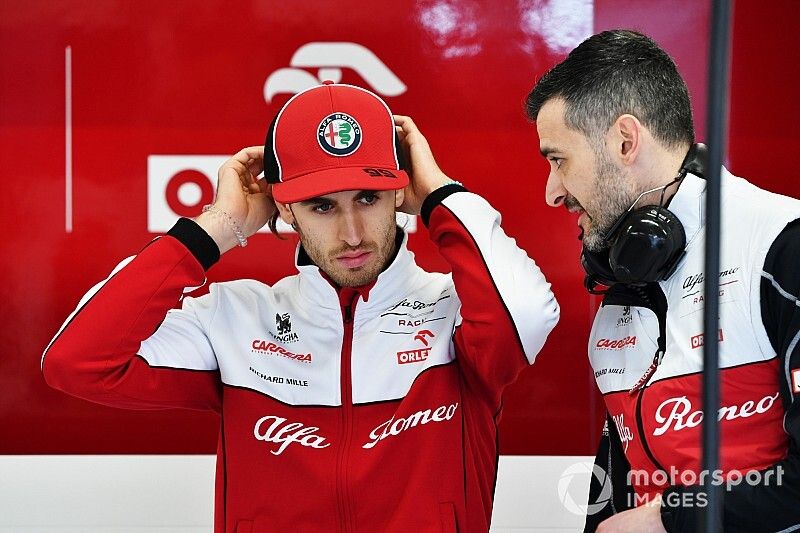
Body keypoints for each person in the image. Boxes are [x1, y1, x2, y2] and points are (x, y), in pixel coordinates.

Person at [41, 82, 559, 532]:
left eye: (367, 198)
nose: (352, 233)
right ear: (285, 207)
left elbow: (529, 314)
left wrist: (439, 193)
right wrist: (219, 228)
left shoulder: (456, 311)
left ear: (399, 193)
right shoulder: (234, 319)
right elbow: (78, 362)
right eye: (322, 206)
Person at [526, 29, 800, 532]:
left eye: (557, 159)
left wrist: (671, 519)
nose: (552, 192)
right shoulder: (624, 279)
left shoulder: (782, 246)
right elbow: (619, 485)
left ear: (625, 140)